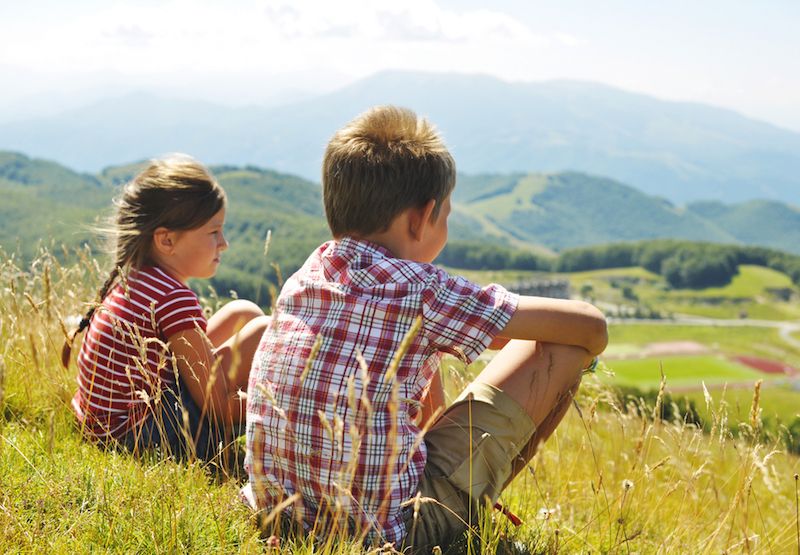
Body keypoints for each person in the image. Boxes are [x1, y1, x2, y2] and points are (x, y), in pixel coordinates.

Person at [245, 106, 608, 551]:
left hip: (276, 519)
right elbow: (591, 328)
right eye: (447, 214)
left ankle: (457, 498)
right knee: (563, 348)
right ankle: (472, 516)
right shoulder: (422, 290)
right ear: (422, 217)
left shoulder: (307, 274)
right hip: (387, 539)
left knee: (418, 353)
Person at [63, 155, 270, 464]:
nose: (224, 243)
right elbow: (217, 407)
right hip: (143, 438)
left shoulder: (136, 276)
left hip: (106, 427)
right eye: (214, 232)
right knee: (263, 330)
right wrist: (273, 406)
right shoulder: (173, 297)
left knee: (244, 313)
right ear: (167, 240)